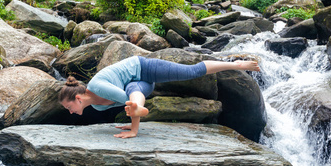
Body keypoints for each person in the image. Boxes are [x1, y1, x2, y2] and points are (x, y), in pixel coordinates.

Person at [59, 56, 260, 139]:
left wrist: (134, 127)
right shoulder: (98, 108)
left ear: (78, 98)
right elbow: (130, 101)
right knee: (132, 91)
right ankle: (140, 110)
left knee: (192, 72)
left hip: (145, 68)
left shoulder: (97, 86)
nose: (69, 112)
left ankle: (237, 64)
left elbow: (128, 101)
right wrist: (133, 127)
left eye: (68, 107)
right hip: (140, 86)